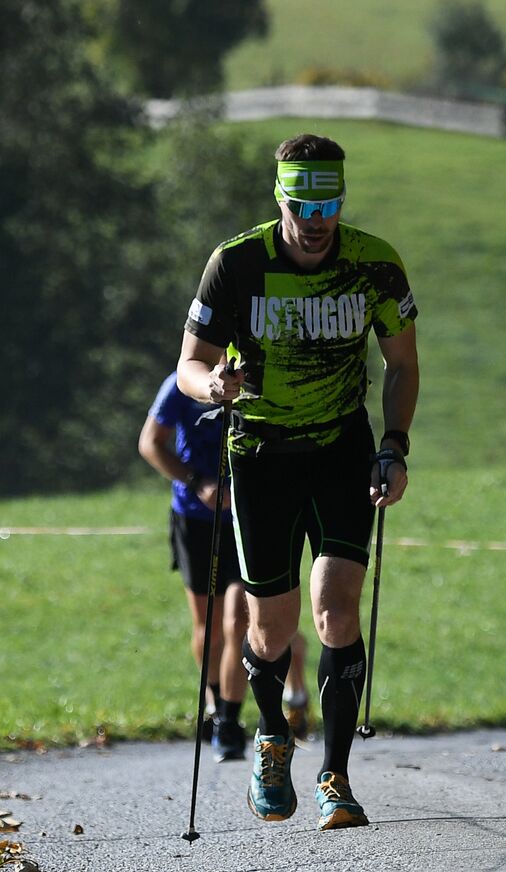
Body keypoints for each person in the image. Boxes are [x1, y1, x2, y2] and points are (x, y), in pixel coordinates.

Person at [176, 133, 419, 831]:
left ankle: (335, 777)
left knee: (337, 607)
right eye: (303, 203)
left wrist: (395, 447)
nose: (317, 220)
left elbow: (402, 363)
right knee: (272, 627)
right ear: (280, 198)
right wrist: (213, 386)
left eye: (330, 204)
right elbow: (189, 364)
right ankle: (272, 735)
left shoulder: (376, 263)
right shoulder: (236, 263)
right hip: (260, 454)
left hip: (343, 449)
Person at [138, 374, 315, 761]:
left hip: (249, 517)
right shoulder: (181, 384)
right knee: (208, 627)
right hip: (195, 520)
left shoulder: (262, 379)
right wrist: (197, 482)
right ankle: (215, 700)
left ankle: (229, 723)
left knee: (239, 619)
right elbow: (150, 444)